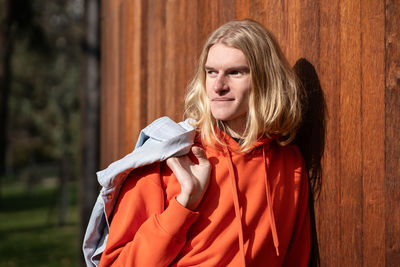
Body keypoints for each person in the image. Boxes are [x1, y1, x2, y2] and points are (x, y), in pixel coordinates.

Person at [98, 19, 310, 266]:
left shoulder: (289, 162)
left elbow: (296, 257)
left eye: (235, 72)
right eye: (211, 72)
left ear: (265, 80)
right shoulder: (169, 159)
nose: (218, 86)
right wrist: (183, 204)